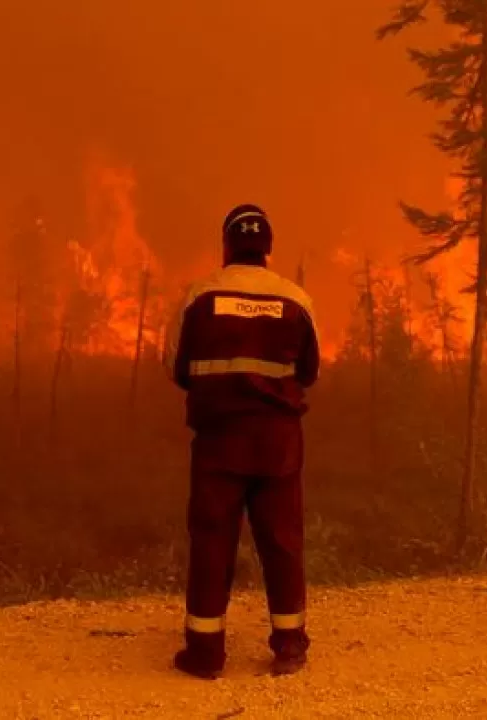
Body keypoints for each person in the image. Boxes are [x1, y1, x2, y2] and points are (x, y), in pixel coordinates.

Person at [163, 203, 321, 679]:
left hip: (220, 442)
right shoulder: (296, 299)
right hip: (278, 443)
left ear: (227, 245)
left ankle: (206, 656)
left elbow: (177, 367)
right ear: (267, 247)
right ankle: (289, 647)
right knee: (283, 542)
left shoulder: (200, 295)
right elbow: (309, 372)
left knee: (212, 542)